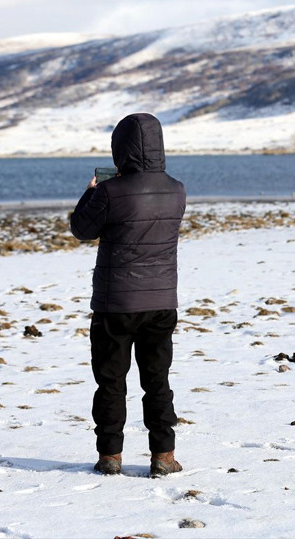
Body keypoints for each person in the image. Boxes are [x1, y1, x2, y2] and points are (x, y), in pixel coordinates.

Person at [70, 113, 186, 477]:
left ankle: (110, 457)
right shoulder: (177, 190)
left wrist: (92, 191)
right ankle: (163, 456)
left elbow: (81, 229)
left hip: (115, 303)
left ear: (120, 148)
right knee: (157, 381)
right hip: (161, 301)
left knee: (110, 382)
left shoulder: (109, 191)